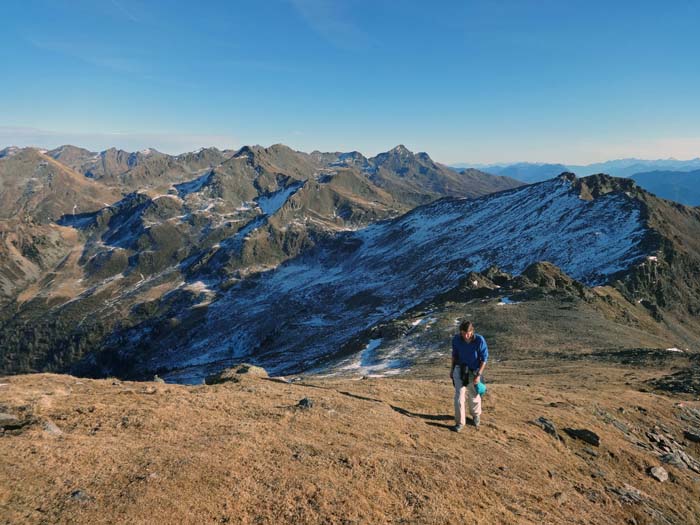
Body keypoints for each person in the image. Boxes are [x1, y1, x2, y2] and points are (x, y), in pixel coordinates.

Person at [451, 320, 488, 432]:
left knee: (474, 395)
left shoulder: (479, 340)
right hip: (460, 369)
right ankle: (460, 423)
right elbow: (454, 355)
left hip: (474, 371)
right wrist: (452, 370)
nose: (465, 335)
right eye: (463, 333)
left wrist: (478, 375)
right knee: (459, 396)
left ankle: (476, 415)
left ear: (472, 331)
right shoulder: (456, 339)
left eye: (468, 333)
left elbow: (484, 359)